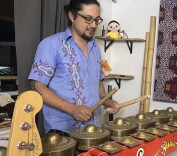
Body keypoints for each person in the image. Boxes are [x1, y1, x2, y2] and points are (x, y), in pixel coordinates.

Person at [28, 0, 120, 135]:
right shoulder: (51, 45)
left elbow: (96, 81)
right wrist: (72, 109)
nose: (93, 25)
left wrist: (106, 101)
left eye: (96, 20)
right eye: (88, 19)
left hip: (93, 130)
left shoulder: (95, 49)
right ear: (72, 16)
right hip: (62, 133)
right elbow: (36, 85)